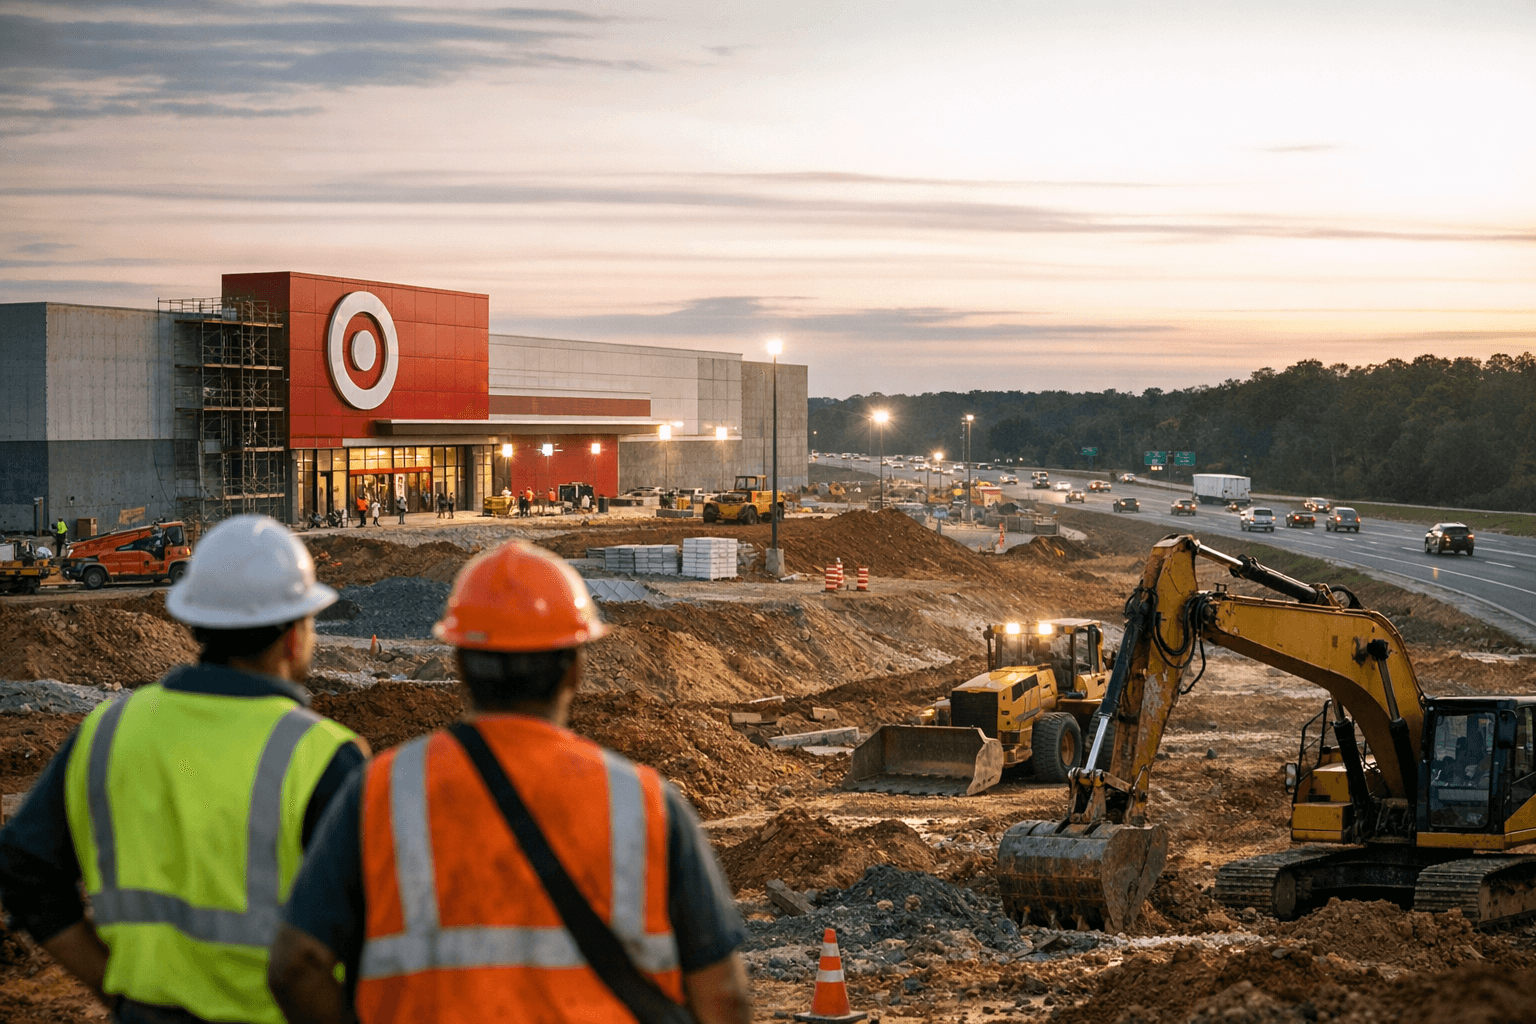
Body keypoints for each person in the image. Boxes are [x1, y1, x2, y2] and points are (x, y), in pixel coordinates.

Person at [268, 542, 751, 1024]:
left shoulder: (382, 793)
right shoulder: (644, 804)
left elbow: (294, 967)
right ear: (575, 670)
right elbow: (723, 995)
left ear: (457, 664)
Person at [0, 515, 368, 1024]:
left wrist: (115, 990)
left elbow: (24, 868)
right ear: (293, 637)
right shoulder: (325, 755)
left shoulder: (110, 729)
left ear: (196, 624)